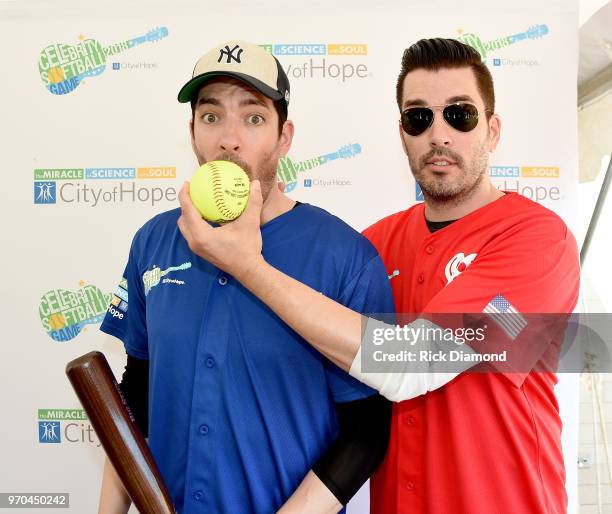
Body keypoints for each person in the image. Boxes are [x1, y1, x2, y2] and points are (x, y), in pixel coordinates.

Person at [177, 38, 580, 514]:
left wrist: (246, 265)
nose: (440, 135)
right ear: (403, 133)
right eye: (419, 118)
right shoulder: (372, 245)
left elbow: (412, 364)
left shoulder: (536, 240)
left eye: (460, 114)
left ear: (492, 131)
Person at [98, 40, 395, 514]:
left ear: (285, 136)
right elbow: (136, 389)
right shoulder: (152, 241)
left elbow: (368, 428)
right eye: (211, 117)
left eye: (253, 118)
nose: (228, 139)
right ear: (192, 131)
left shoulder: (344, 255)